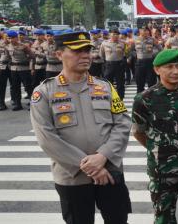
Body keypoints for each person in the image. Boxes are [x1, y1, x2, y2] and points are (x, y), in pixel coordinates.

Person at [30, 31, 132, 224]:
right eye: (77, 51)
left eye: (87, 50)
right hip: (72, 177)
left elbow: (122, 123)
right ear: (59, 54)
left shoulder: (105, 86)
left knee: (118, 220)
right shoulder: (44, 92)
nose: (85, 56)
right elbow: (47, 138)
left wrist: (102, 157)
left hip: (109, 171)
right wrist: (90, 167)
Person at [132, 49, 178, 224]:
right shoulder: (144, 99)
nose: (175, 71)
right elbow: (138, 132)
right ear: (157, 70)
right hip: (162, 170)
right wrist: (159, 148)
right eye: (169, 67)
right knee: (164, 217)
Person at [5, 30, 34, 111]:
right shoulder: (7, 47)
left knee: (28, 86)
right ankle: (18, 104)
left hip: (24, 69)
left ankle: (33, 104)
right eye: (9, 38)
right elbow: (8, 58)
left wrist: (27, 62)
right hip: (14, 69)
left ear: (16, 38)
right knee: (15, 87)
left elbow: (32, 56)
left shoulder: (24, 46)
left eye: (12, 38)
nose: (10, 40)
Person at [100, 28, 127, 99]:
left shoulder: (123, 43)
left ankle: (121, 99)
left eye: (117, 34)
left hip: (119, 65)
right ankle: (109, 98)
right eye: (114, 34)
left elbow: (126, 53)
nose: (116, 36)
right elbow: (102, 54)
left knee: (120, 83)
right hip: (109, 65)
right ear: (109, 34)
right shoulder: (104, 43)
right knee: (108, 83)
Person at [131, 26, 158, 93]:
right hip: (139, 63)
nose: (145, 32)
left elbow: (159, 48)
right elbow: (131, 50)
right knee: (140, 83)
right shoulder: (134, 40)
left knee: (151, 83)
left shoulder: (152, 40)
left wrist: (153, 53)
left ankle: (151, 100)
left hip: (150, 62)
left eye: (147, 30)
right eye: (143, 30)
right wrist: (136, 55)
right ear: (140, 31)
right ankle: (140, 100)